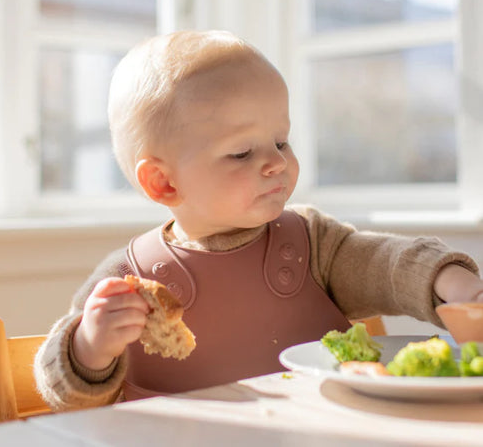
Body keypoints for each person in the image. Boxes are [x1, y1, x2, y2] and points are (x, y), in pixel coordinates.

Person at [34, 30, 483, 411]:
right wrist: (89, 347)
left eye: (282, 141)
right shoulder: (126, 278)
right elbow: (62, 394)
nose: (276, 163)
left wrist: (454, 283)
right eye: (242, 152)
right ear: (163, 183)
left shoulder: (313, 243)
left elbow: (388, 264)